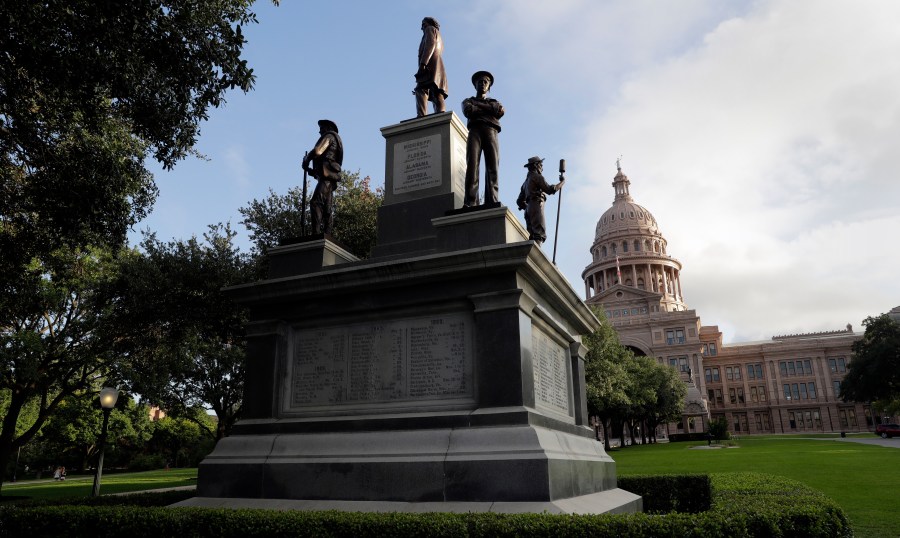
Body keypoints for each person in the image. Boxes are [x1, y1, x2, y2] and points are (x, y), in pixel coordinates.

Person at [462, 71, 504, 207]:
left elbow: (500, 111)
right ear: (475, 85)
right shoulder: (468, 101)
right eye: (479, 81)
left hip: (491, 132)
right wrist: (489, 110)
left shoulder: (494, 102)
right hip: (474, 132)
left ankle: (492, 199)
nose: (482, 84)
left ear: (489, 86)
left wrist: (479, 107)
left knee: (493, 167)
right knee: (472, 166)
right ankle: (470, 202)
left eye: (486, 82)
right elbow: (468, 111)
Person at [302, 119, 344, 235]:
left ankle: (316, 235)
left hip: (327, 178)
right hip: (328, 177)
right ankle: (327, 234)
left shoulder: (329, 136)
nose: (320, 132)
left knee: (316, 203)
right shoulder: (334, 140)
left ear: (328, 128)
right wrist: (310, 170)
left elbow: (318, 151)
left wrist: (307, 159)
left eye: (321, 129)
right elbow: (322, 166)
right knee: (327, 209)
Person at [519, 156, 564, 244]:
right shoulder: (537, 177)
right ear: (536, 165)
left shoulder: (525, 182)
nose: (542, 168)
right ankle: (535, 257)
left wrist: (529, 207)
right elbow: (550, 190)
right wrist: (562, 182)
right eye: (541, 165)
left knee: (532, 236)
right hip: (536, 206)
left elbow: (519, 201)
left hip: (529, 209)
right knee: (539, 234)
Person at [414, 17, 447, 117]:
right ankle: (441, 115)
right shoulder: (438, 34)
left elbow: (430, 44)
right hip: (437, 65)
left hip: (430, 64)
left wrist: (423, 63)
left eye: (424, 25)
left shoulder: (430, 30)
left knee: (420, 89)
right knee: (437, 92)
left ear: (430, 24)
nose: (422, 28)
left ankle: (421, 116)